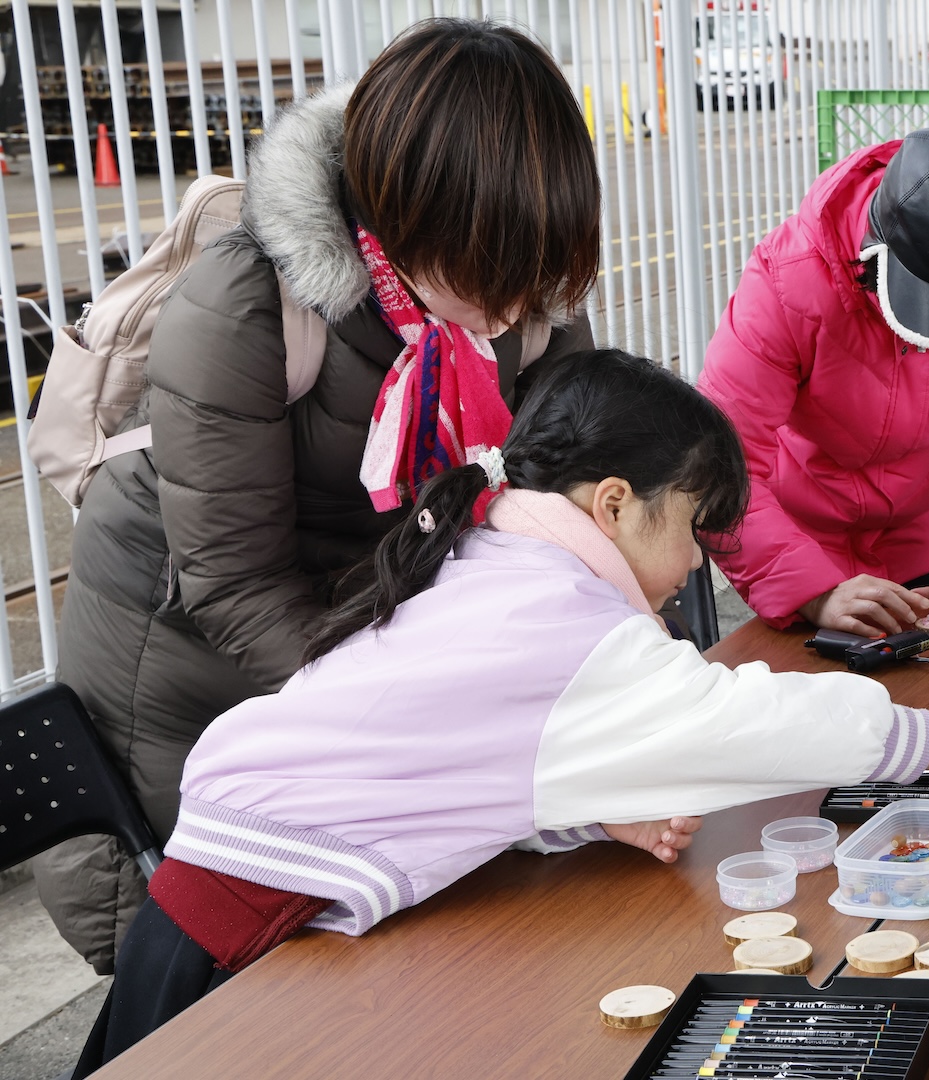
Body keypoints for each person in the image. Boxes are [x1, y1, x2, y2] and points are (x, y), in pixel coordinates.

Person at [72, 351, 929, 1074]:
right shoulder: (559, 618)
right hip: (242, 930)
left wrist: (586, 808)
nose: (703, 563)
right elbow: (743, 718)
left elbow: (474, 757)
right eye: (695, 525)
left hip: (236, 877)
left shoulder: (498, 559)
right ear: (617, 504)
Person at [35, 20, 603, 974]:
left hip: (361, 655)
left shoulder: (510, 283)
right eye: (490, 279)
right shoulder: (250, 302)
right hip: (194, 670)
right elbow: (237, 589)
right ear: (405, 219)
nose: (512, 317)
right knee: (214, 986)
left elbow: (573, 504)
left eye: (532, 280)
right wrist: (441, 731)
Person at [698, 119, 929, 637]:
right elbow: (720, 462)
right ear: (875, 244)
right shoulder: (789, 281)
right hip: (799, 539)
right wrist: (811, 590)